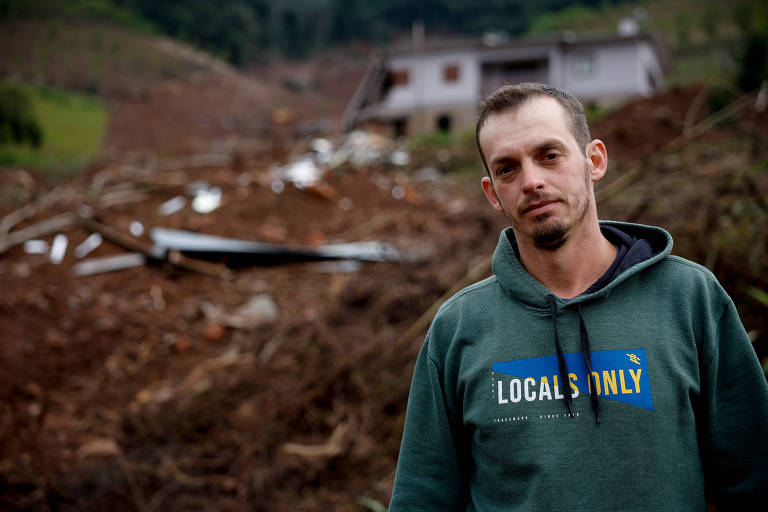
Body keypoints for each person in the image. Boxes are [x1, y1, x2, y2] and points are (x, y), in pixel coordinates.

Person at [388, 82, 768, 511]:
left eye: (549, 156)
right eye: (508, 168)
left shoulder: (689, 298)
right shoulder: (459, 328)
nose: (531, 181)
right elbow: (422, 499)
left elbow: (753, 478)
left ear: (594, 160)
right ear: (493, 193)